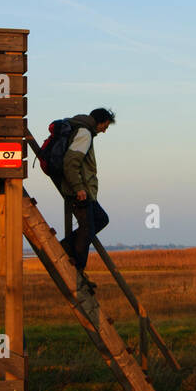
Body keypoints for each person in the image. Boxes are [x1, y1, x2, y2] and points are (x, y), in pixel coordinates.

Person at [56, 108, 115, 295]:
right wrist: (79, 187)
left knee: (101, 219)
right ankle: (78, 268)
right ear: (100, 121)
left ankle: (66, 246)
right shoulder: (84, 133)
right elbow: (71, 162)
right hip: (79, 191)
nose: (105, 130)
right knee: (87, 228)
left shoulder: (83, 131)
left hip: (83, 190)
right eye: (105, 126)